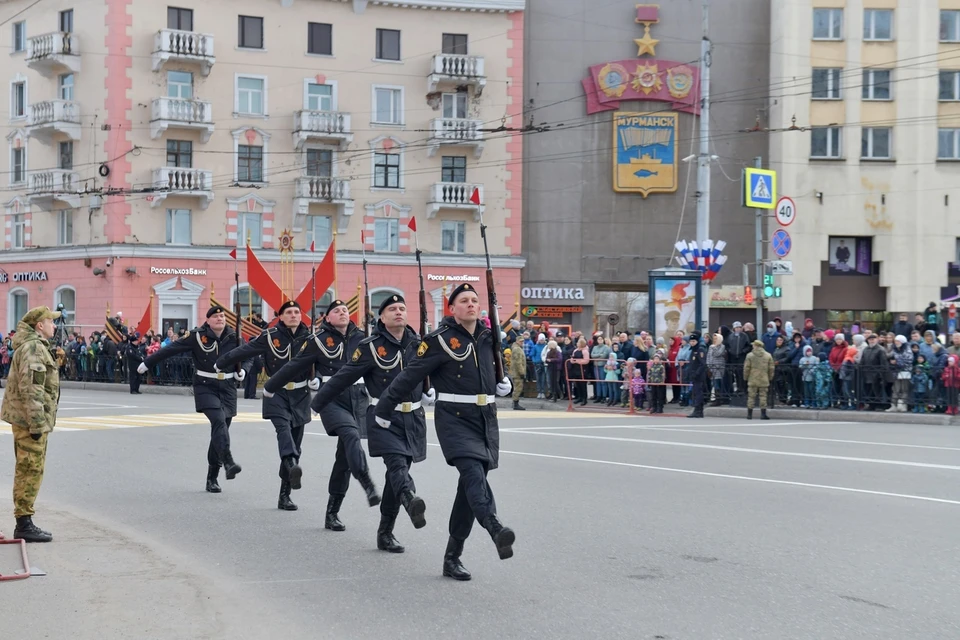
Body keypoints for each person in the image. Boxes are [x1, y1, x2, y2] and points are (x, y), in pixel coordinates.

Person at [374, 283, 514, 581]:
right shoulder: (439, 340)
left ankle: (452, 557)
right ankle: (495, 527)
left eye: (475, 300)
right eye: (464, 301)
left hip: (486, 420)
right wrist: (383, 409)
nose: (471, 305)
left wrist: (505, 383)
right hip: (455, 419)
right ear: (452, 308)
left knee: (469, 489)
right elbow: (408, 376)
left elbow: (493, 370)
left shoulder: (490, 337)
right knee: (473, 474)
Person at [310, 295, 429, 553]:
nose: (398, 312)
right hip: (383, 418)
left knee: (395, 476)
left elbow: (440, 371)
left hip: (414, 419)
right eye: (391, 309)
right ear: (382, 318)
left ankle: (385, 532)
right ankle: (409, 497)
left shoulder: (420, 344)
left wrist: (433, 388)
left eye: (402, 308)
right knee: (397, 466)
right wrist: (318, 402)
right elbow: (344, 376)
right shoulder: (371, 346)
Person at [264, 298, 379, 530]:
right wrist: (270, 386)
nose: (343, 312)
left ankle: (332, 512)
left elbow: (380, 370)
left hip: (358, 400)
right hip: (332, 399)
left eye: (345, 309)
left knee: (344, 459)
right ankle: (366, 480)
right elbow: (295, 365)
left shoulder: (363, 339)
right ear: (327, 318)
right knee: (351, 436)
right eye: (336, 310)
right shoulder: (318, 340)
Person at [216, 300, 313, 511]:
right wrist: (222, 362)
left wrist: (320, 378)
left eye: (297, 312)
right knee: (283, 429)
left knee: (296, 443)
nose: (294, 315)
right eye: (289, 312)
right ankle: (290, 462)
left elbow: (326, 361)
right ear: (281, 316)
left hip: (301, 395)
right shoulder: (270, 336)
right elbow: (245, 351)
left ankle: (284, 494)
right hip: (275, 392)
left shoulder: (310, 337)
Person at [139, 306, 247, 492]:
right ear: (208, 320)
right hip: (206, 385)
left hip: (228, 388)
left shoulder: (234, 336)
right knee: (219, 421)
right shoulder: (197, 336)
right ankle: (228, 461)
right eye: (216, 316)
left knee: (220, 431)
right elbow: (171, 349)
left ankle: (212, 477)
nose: (220, 319)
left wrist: (243, 369)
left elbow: (249, 355)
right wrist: (148, 362)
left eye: (222, 316)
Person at [2, 306, 63, 542]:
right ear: (40, 325)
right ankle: (24, 523)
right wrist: (37, 424)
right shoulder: (34, 348)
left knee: (29, 467)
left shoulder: (33, 346)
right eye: (51, 322)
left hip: (27, 419)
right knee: (30, 469)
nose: (54, 325)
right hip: (30, 422)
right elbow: (32, 389)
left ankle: (24, 520)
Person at [743, 339, 774, 420]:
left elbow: (746, 368)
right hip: (764, 379)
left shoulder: (750, 355)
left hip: (752, 379)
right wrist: (770, 377)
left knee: (751, 396)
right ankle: (763, 414)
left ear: (756, 346)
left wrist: (745, 377)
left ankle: (749, 414)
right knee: (763, 396)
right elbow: (771, 368)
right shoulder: (768, 355)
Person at [685, 333, 707, 418]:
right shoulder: (693, 350)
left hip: (699, 376)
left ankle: (698, 410)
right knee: (695, 392)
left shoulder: (700, 349)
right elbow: (692, 364)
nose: (692, 343)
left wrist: (696, 373)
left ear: (697, 341)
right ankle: (697, 410)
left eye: (694, 341)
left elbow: (702, 364)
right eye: (691, 341)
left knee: (698, 393)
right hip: (693, 375)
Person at [508, 334, 526, 410]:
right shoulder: (517, 349)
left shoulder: (516, 348)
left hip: (516, 371)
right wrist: (522, 373)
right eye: (521, 341)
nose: (522, 343)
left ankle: (515, 403)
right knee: (518, 388)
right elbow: (518, 362)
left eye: (523, 341)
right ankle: (515, 403)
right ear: (517, 341)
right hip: (517, 372)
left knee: (517, 387)